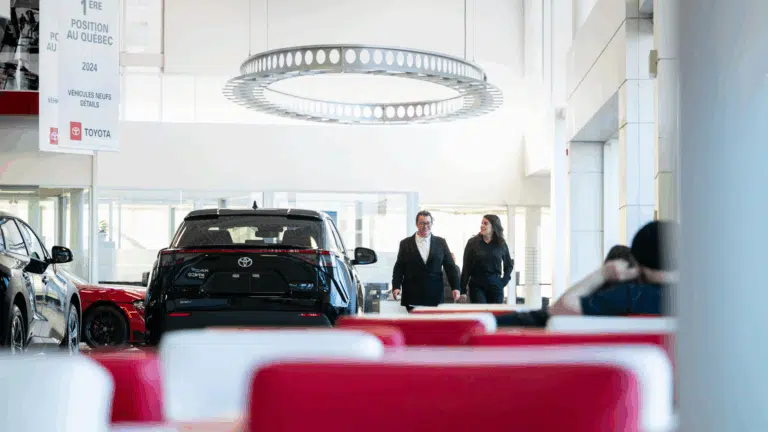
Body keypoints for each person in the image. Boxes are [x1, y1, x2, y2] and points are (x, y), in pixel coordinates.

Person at [548, 220, 678, 316]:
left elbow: (560, 310)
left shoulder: (631, 296)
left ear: (637, 264)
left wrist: (603, 273)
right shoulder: (690, 297)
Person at [392, 210, 460, 311]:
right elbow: (399, 267)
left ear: (432, 224)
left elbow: (450, 266)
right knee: (414, 321)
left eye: (428, 223)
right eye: (422, 223)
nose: (425, 226)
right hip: (412, 293)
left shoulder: (441, 242)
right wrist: (396, 286)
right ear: (416, 224)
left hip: (435, 293)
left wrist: (456, 287)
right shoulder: (405, 243)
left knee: (434, 321)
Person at [459, 214, 514, 304]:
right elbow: (466, 267)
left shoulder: (501, 244)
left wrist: (503, 282)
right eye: (482, 223)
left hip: (496, 286)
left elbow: (509, 265)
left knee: (495, 312)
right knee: (481, 310)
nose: (482, 225)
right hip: (477, 286)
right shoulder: (472, 243)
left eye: (486, 223)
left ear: (493, 227)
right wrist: (463, 290)